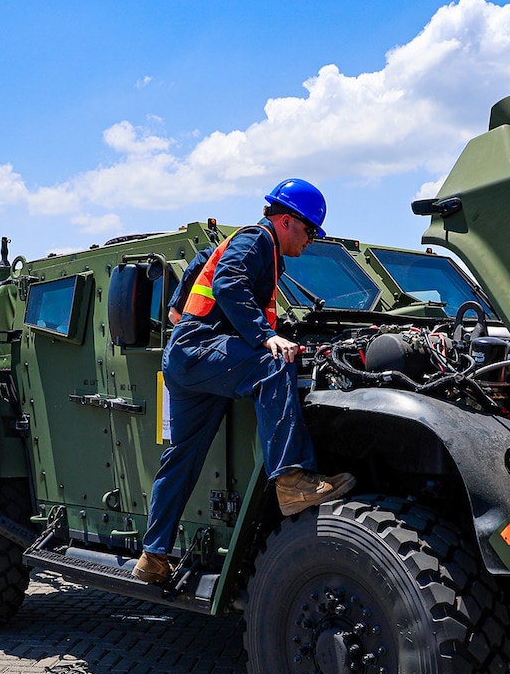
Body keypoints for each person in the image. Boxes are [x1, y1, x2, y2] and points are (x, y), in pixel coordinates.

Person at [133, 180, 356, 584]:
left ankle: (153, 556)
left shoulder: (252, 247)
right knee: (273, 365)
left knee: (182, 458)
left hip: (186, 358)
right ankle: (291, 481)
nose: (310, 241)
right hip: (202, 350)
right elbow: (228, 282)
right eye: (309, 231)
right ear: (287, 221)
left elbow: (204, 263)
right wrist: (264, 337)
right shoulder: (258, 240)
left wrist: (176, 308)